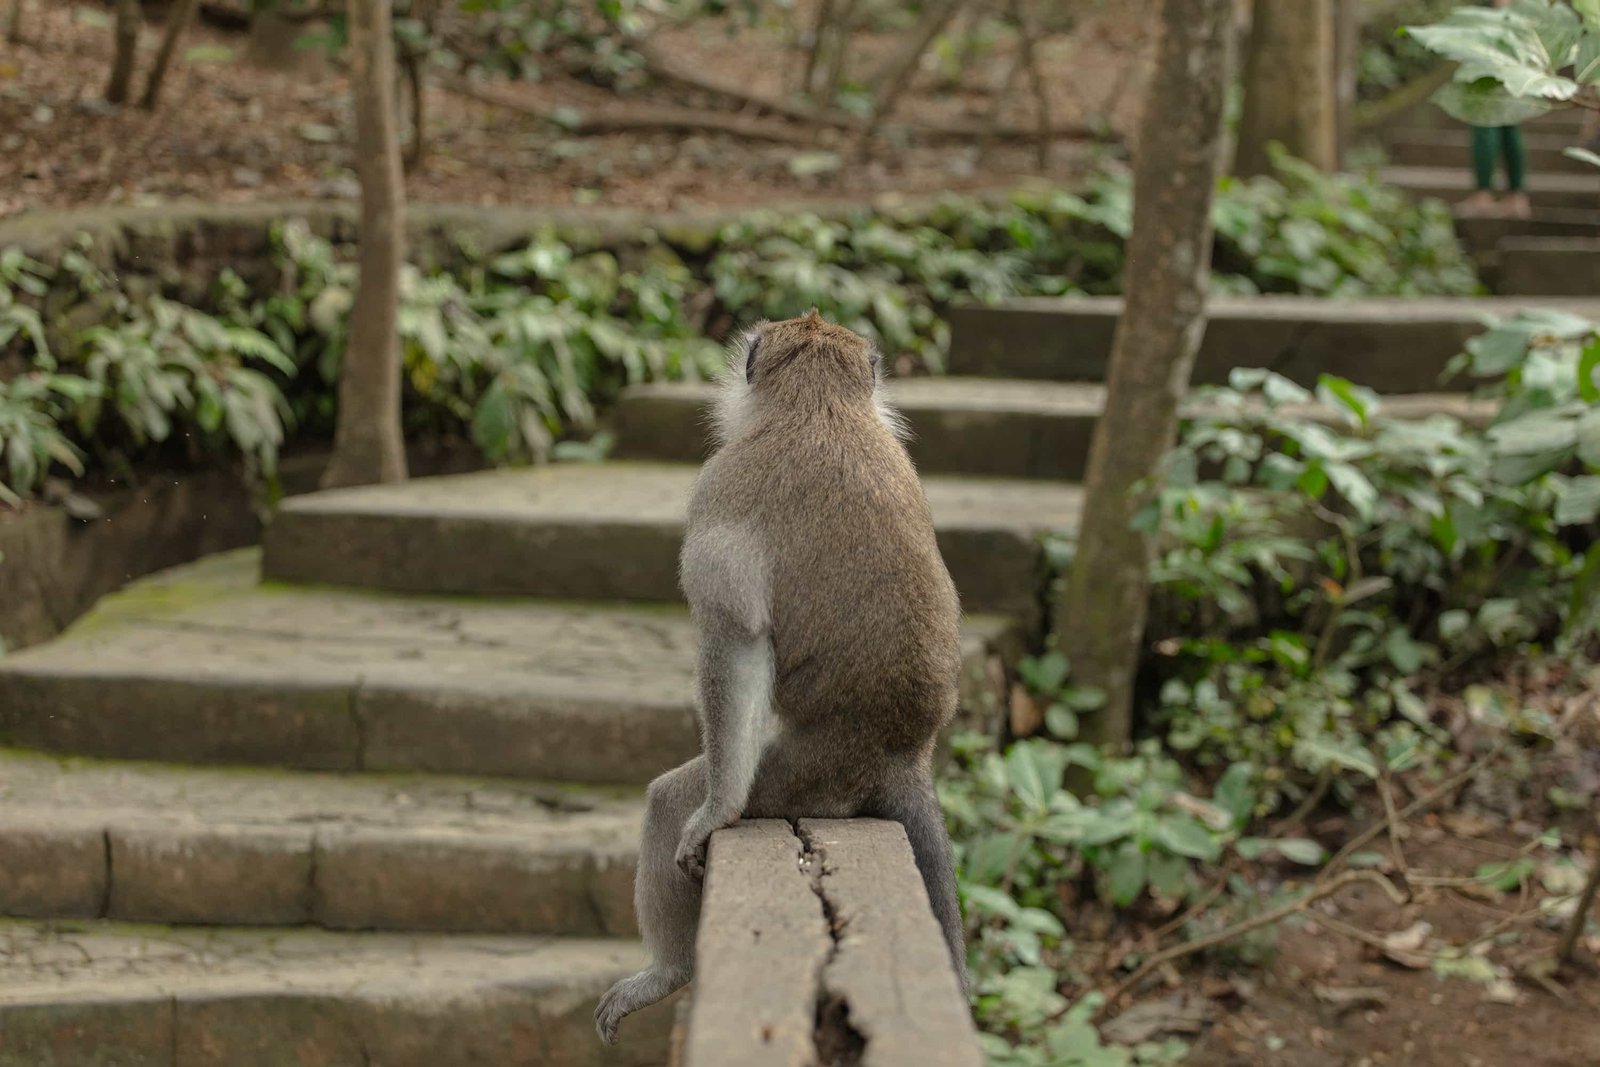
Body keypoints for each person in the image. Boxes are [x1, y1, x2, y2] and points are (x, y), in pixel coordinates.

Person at [1456, 0, 1532, 218]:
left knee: (1485, 123)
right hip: (1514, 46)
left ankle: (1484, 195)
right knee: (1509, 124)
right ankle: (1516, 196)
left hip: (1495, 47)